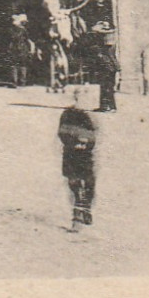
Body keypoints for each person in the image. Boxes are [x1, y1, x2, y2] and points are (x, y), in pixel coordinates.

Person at [57, 88, 98, 229]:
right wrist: (74, 143)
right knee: (73, 182)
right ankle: (78, 209)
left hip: (86, 155)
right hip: (71, 154)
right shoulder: (67, 114)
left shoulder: (90, 117)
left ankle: (85, 208)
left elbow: (94, 136)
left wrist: (85, 144)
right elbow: (62, 133)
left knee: (89, 183)